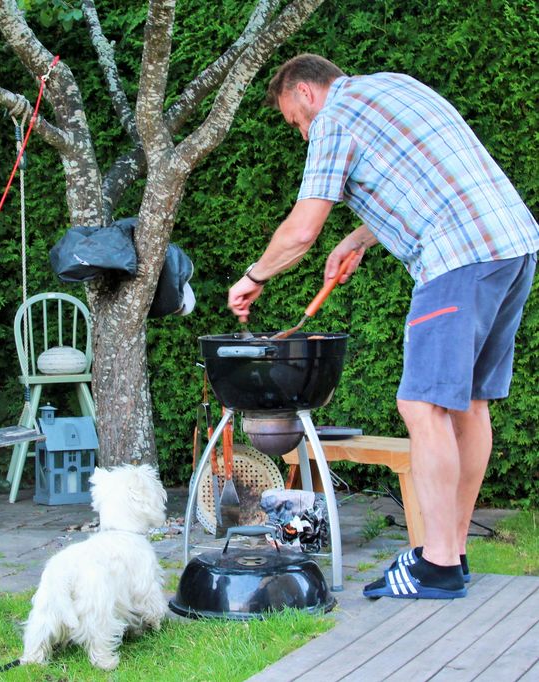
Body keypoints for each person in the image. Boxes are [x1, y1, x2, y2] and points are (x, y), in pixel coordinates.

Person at [228, 54, 539, 599]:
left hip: (456, 259)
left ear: (305, 92)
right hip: (512, 246)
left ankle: (436, 565)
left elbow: (301, 231)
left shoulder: (332, 119)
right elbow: (429, 177)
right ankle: (452, 554)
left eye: (295, 122)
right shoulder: (395, 85)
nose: (302, 135)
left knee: (421, 405)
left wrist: (254, 276)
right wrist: (358, 238)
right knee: (469, 405)